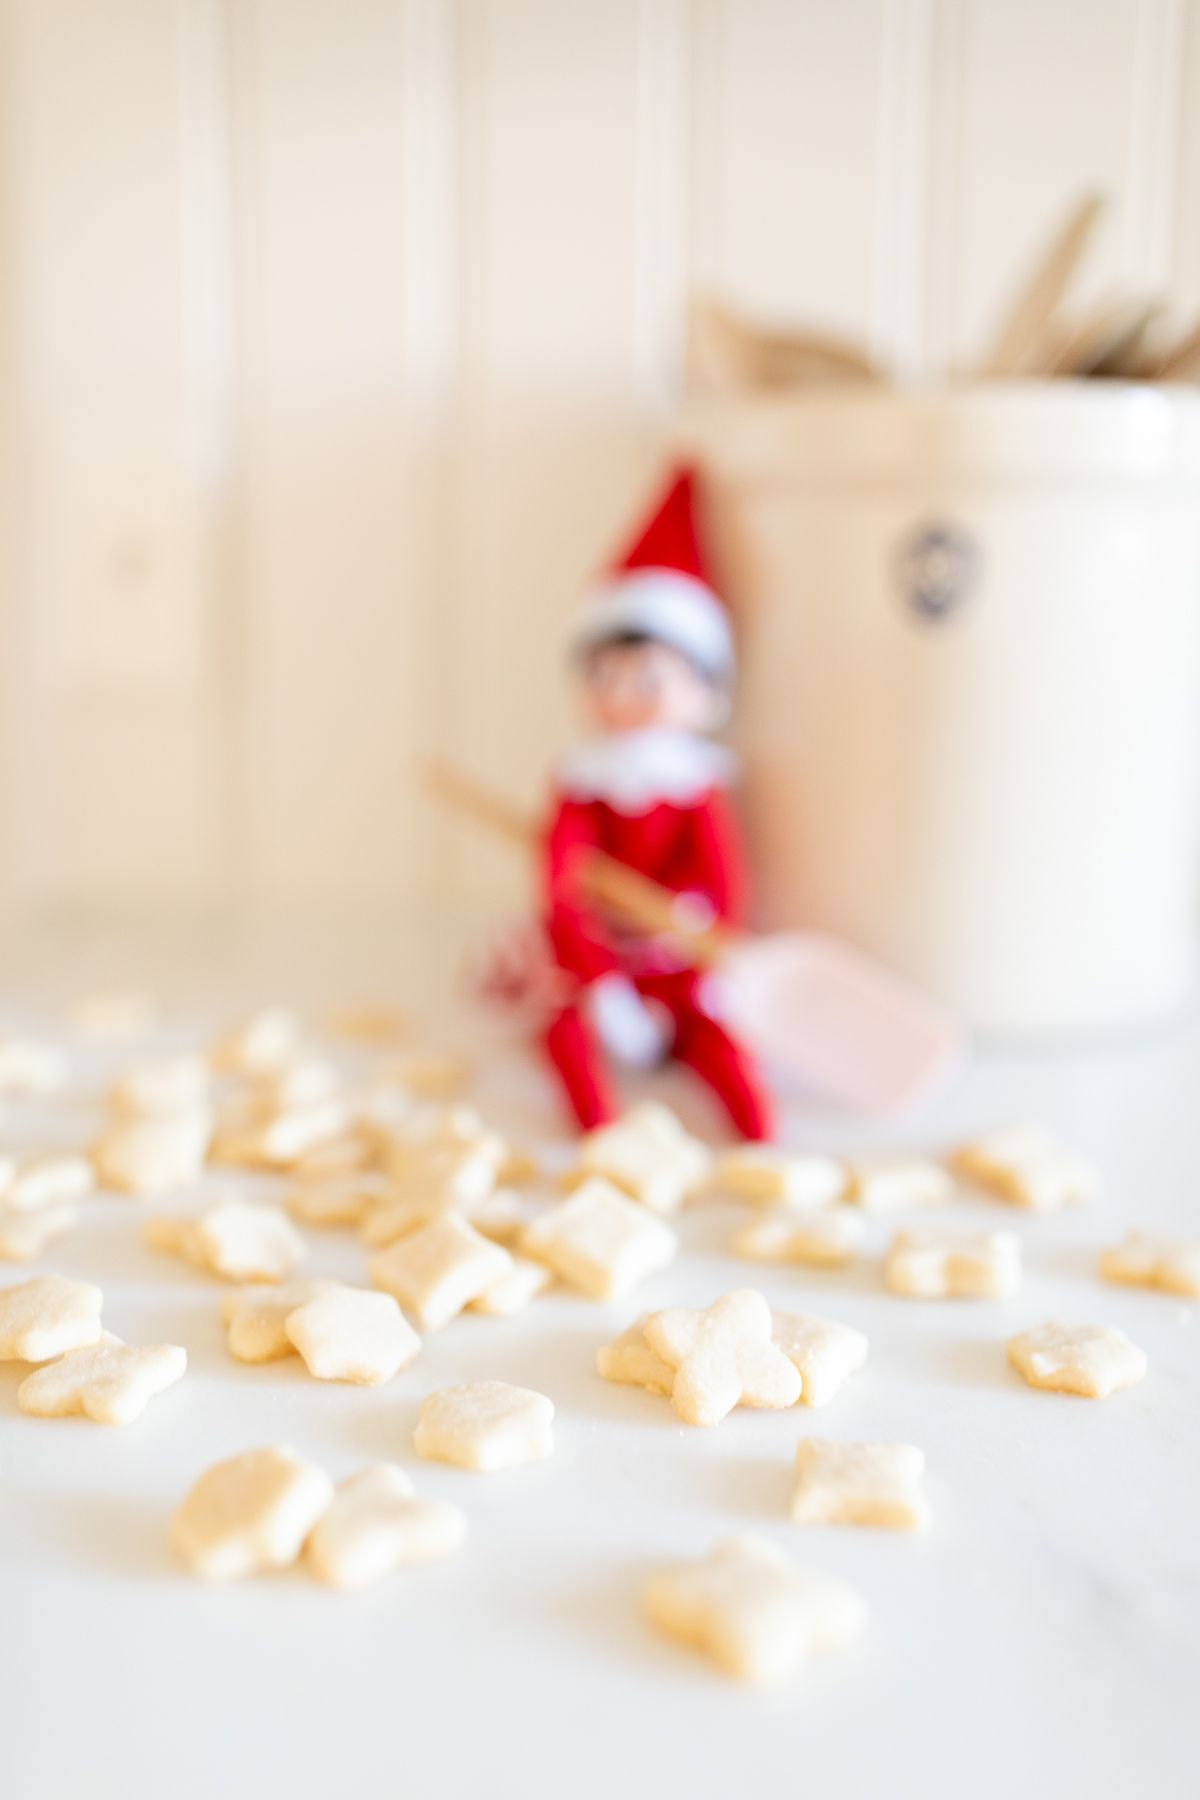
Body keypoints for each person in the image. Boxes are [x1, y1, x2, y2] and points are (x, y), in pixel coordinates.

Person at [540, 464, 773, 1140]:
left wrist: (698, 933)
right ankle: (596, 1133)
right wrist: (600, 976)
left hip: (678, 952)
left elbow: (724, 878)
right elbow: (560, 881)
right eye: (604, 678)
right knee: (567, 1029)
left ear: (703, 695)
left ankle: (756, 1133)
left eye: (646, 681)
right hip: (603, 955)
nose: (620, 697)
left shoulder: (696, 787)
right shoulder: (581, 783)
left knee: (715, 1037)